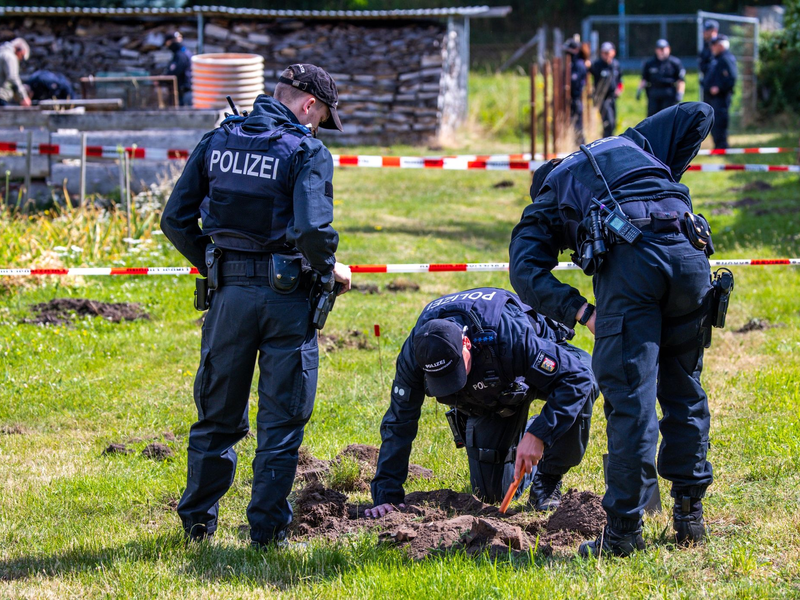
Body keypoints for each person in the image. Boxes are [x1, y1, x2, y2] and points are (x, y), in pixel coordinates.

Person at [509, 102, 717, 557]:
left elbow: (524, 271)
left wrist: (582, 312)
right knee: (684, 386)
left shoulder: (549, 194)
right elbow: (699, 113)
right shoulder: (631, 143)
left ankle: (623, 533)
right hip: (690, 250)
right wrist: (661, 177)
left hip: (634, 268)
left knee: (630, 398)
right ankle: (689, 518)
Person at [161, 63, 352, 547]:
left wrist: (214, 261)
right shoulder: (306, 150)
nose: (318, 126)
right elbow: (311, 231)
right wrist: (330, 269)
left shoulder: (217, 140)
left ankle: (198, 525)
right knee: (282, 419)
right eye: (321, 115)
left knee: (216, 416)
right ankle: (267, 532)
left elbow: (175, 219)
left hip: (227, 296)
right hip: (286, 301)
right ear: (308, 104)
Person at [364, 287, 598, 519]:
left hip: (533, 366)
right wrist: (386, 495)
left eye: (455, 372)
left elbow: (577, 379)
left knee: (585, 385)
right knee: (494, 493)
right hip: (495, 395)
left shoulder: (508, 334)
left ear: (466, 343)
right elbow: (399, 421)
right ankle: (527, 433)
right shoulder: (417, 352)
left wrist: (540, 435)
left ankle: (547, 478)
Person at [703, 35, 737, 150]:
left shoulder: (726, 58)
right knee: (714, 123)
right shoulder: (717, 58)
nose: (711, 47)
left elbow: (731, 78)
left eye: (714, 45)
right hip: (713, 98)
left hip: (721, 98)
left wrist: (719, 88)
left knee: (720, 123)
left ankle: (722, 147)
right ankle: (718, 146)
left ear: (721, 46)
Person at [638, 39, 685, 117]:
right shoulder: (650, 63)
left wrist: (680, 93)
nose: (662, 51)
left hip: (669, 92)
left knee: (668, 117)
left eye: (664, 48)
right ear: (656, 50)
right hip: (654, 92)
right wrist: (639, 91)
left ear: (669, 49)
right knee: (652, 117)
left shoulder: (675, 63)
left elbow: (681, 80)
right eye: (660, 49)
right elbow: (644, 79)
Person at [590, 42, 623, 137]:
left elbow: (620, 81)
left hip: (613, 98)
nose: (606, 55)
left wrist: (619, 89)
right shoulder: (597, 65)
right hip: (602, 99)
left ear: (613, 52)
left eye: (608, 53)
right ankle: (606, 141)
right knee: (608, 123)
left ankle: (610, 139)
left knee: (613, 123)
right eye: (604, 53)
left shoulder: (616, 64)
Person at [564, 39, 587, 145]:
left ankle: (580, 145)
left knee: (578, 125)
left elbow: (575, 83)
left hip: (576, 99)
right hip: (571, 99)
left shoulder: (579, 65)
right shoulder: (572, 64)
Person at [0, 38, 31, 107]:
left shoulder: (2, 52)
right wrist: (23, 97)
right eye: (22, 57)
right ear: (19, 49)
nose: (20, 60)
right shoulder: (10, 57)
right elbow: (12, 77)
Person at [165, 32, 192, 106]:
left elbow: (174, 72)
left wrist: (163, 80)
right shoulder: (185, 52)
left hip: (185, 91)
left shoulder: (181, 55)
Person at [698, 19, 719, 94]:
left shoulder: (718, 45)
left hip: (716, 88)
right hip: (708, 85)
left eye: (707, 30)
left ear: (714, 31)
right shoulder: (706, 45)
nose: (704, 32)